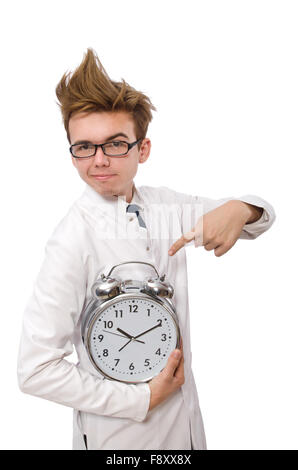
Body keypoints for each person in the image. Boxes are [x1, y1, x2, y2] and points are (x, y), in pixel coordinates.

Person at [17, 48, 276, 450]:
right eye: (84, 146)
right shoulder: (72, 239)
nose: (99, 160)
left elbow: (263, 218)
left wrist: (241, 208)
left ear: (144, 149)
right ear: (72, 154)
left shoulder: (166, 206)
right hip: (120, 441)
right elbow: (35, 369)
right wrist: (142, 398)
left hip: (187, 430)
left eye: (116, 144)